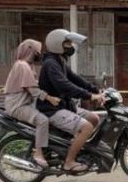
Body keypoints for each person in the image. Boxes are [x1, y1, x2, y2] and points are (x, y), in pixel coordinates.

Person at [37, 29, 104, 173]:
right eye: (67, 43)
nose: (70, 46)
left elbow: (76, 79)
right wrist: (90, 96)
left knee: (94, 118)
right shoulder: (50, 63)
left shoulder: (59, 61)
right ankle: (69, 162)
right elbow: (65, 86)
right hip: (52, 109)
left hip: (64, 106)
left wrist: (95, 89)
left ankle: (75, 147)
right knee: (86, 127)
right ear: (56, 44)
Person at [3, 39, 61, 168]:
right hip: (18, 105)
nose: (39, 54)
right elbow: (32, 89)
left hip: (25, 103)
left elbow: (36, 85)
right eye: (37, 51)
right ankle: (38, 153)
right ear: (30, 51)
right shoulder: (22, 65)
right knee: (42, 120)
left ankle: (49, 150)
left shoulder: (28, 65)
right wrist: (50, 98)